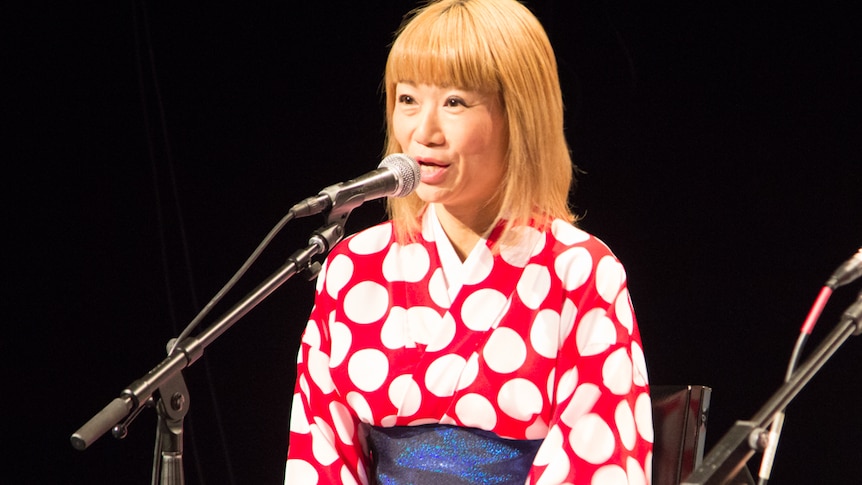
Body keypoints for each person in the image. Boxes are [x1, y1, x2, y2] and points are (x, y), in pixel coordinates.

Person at [285, 0, 653, 483]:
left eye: (455, 102)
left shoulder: (578, 270)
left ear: (519, 116)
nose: (424, 132)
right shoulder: (354, 267)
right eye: (408, 99)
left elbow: (597, 458)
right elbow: (320, 452)